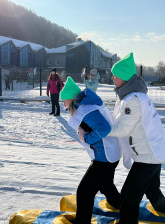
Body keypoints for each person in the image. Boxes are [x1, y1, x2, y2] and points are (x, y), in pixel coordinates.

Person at [108, 52, 165, 224]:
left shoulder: (132, 100)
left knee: (128, 196)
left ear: (124, 78)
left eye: (115, 75)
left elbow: (122, 129)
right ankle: (162, 207)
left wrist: (100, 129)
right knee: (152, 186)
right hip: (155, 151)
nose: (112, 78)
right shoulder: (139, 95)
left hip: (148, 155)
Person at [60, 76, 121, 224]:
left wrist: (86, 138)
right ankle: (120, 204)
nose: (63, 104)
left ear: (71, 99)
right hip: (110, 154)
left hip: (104, 157)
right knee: (106, 184)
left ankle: (83, 221)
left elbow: (104, 128)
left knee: (84, 191)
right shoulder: (86, 105)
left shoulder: (85, 110)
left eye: (64, 100)